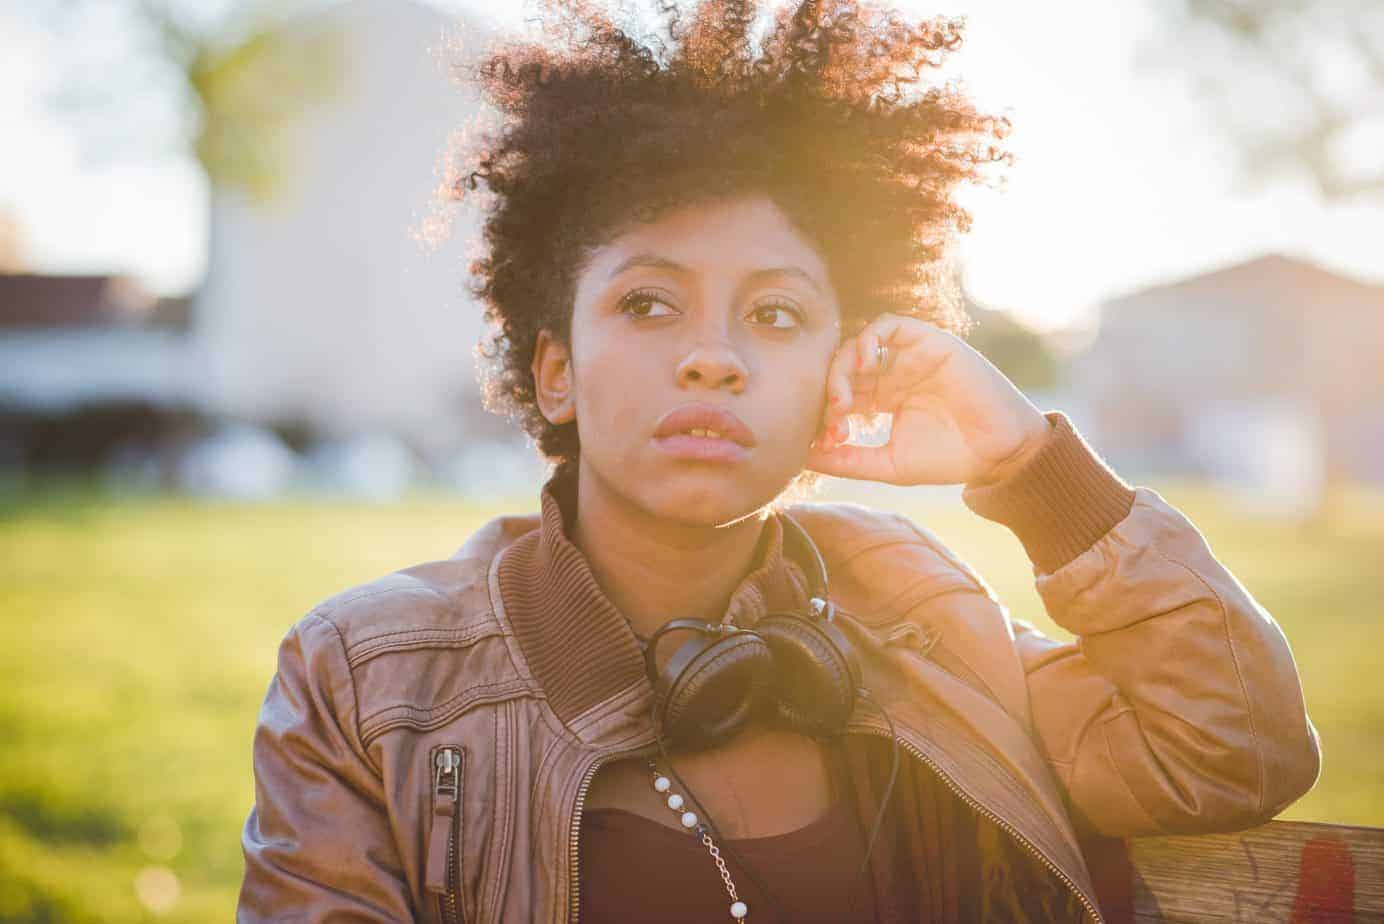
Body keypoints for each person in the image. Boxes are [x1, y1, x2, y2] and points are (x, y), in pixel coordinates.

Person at [238, 1, 1322, 921]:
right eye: (648, 302)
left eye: (775, 312)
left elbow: (1233, 754)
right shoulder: (365, 680)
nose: (712, 357)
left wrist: (1026, 463)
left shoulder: (925, 615)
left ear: (836, 373)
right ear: (556, 372)